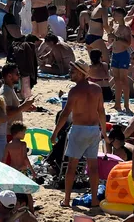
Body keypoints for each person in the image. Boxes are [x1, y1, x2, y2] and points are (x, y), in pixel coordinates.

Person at [52, 59, 106, 208]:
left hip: (79, 130)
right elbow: (101, 112)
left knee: (71, 166)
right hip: (94, 129)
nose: (70, 73)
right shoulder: (97, 89)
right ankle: (94, 200)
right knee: (93, 167)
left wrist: (55, 132)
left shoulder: (74, 91)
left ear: (82, 74)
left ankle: (67, 200)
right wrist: (105, 133)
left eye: (73, 71)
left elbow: (65, 114)